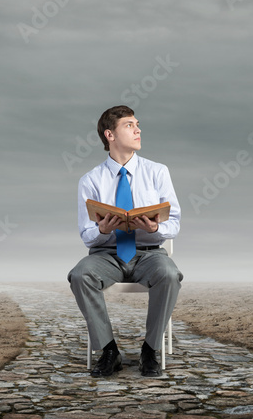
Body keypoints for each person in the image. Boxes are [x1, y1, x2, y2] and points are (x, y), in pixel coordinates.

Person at [68, 105, 183, 377]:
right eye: (129, 125)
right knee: (80, 275)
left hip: (149, 253)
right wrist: (103, 230)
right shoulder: (90, 180)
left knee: (169, 274)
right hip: (106, 255)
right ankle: (109, 351)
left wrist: (156, 227)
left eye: (137, 124)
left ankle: (149, 350)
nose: (138, 129)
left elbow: (175, 222)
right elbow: (86, 234)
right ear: (110, 135)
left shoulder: (158, 172)